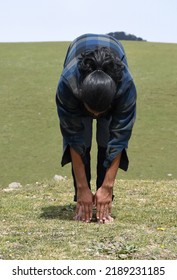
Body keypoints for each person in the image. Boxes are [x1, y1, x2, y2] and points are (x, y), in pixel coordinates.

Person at [56, 33, 137, 223]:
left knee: (106, 135)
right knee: (81, 136)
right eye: (91, 112)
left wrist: (107, 186)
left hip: (115, 53)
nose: (96, 117)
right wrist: (82, 187)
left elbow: (119, 137)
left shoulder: (125, 86)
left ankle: (104, 200)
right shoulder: (68, 84)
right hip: (77, 48)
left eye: (101, 113)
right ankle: (83, 200)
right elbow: (72, 137)